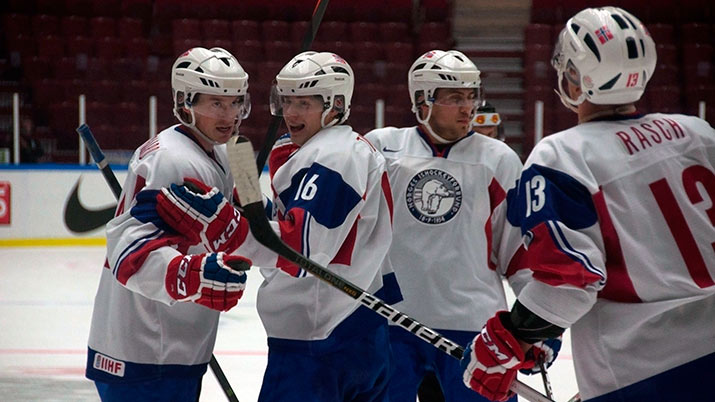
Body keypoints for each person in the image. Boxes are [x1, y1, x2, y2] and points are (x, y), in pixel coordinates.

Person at [461, 6, 715, 402]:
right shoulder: (698, 134)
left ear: (575, 77)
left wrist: (509, 336)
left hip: (640, 370)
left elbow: (569, 281)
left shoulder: (563, 157)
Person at [85, 47, 255, 402]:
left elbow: (248, 219)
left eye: (236, 102)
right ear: (184, 102)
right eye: (216, 103)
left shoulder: (227, 150)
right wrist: (190, 276)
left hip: (174, 343)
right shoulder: (173, 159)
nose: (231, 115)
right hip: (146, 347)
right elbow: (127, 250)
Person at [365, 50, 531, 402]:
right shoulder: (381, 149)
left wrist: (534, 325)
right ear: (422, 100)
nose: (468, 108)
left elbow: (519, 251)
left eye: (472, 96)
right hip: (392, 324)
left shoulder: (498, 159)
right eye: (455, 98)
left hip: (476, 329)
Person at [256, 51, 400, 401]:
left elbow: (301, 251)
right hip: (355, 327)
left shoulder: (334, 155)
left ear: (335, 105)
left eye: (303, 103)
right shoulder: (329, 149)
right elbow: (298, 224)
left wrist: (230, 228)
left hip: (319, 338)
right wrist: (250, 210)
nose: (290, 113)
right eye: (287, 101)